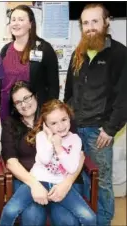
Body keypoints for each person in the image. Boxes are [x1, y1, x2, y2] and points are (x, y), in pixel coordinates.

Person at [64, 3, 127, 225]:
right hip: (74, 129)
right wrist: (65, 124)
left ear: (106, 22)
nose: (90, 27)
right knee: (78, 178)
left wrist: (110, 129)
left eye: (94, 21)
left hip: (98, 132)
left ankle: (103, 222)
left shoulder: (119, 54)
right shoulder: (78, 53)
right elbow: (69, 93)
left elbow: (124, 97)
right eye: (85, 23)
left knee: (101, 183)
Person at [1, 81, 85, 226]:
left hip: (64, 179)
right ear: (14, 106)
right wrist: (34, 184)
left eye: (27, 98)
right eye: (18, 102)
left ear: (36, 96)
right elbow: (10, 161)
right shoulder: (10, 124)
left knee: (67, 221)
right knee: (32, 218)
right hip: (27, 181)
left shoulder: (57, 116)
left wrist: (66, 184)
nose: (24, 104)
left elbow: (80, 155)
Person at [0, 5, 59, 120]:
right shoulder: (5, 50)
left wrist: (50, 112)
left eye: (21, 20)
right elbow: (1, 83)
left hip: (35, 113)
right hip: (9, 112)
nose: (16, 23)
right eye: (13, 20)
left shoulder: (44, 49)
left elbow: (53, 86)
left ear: (30, 24)